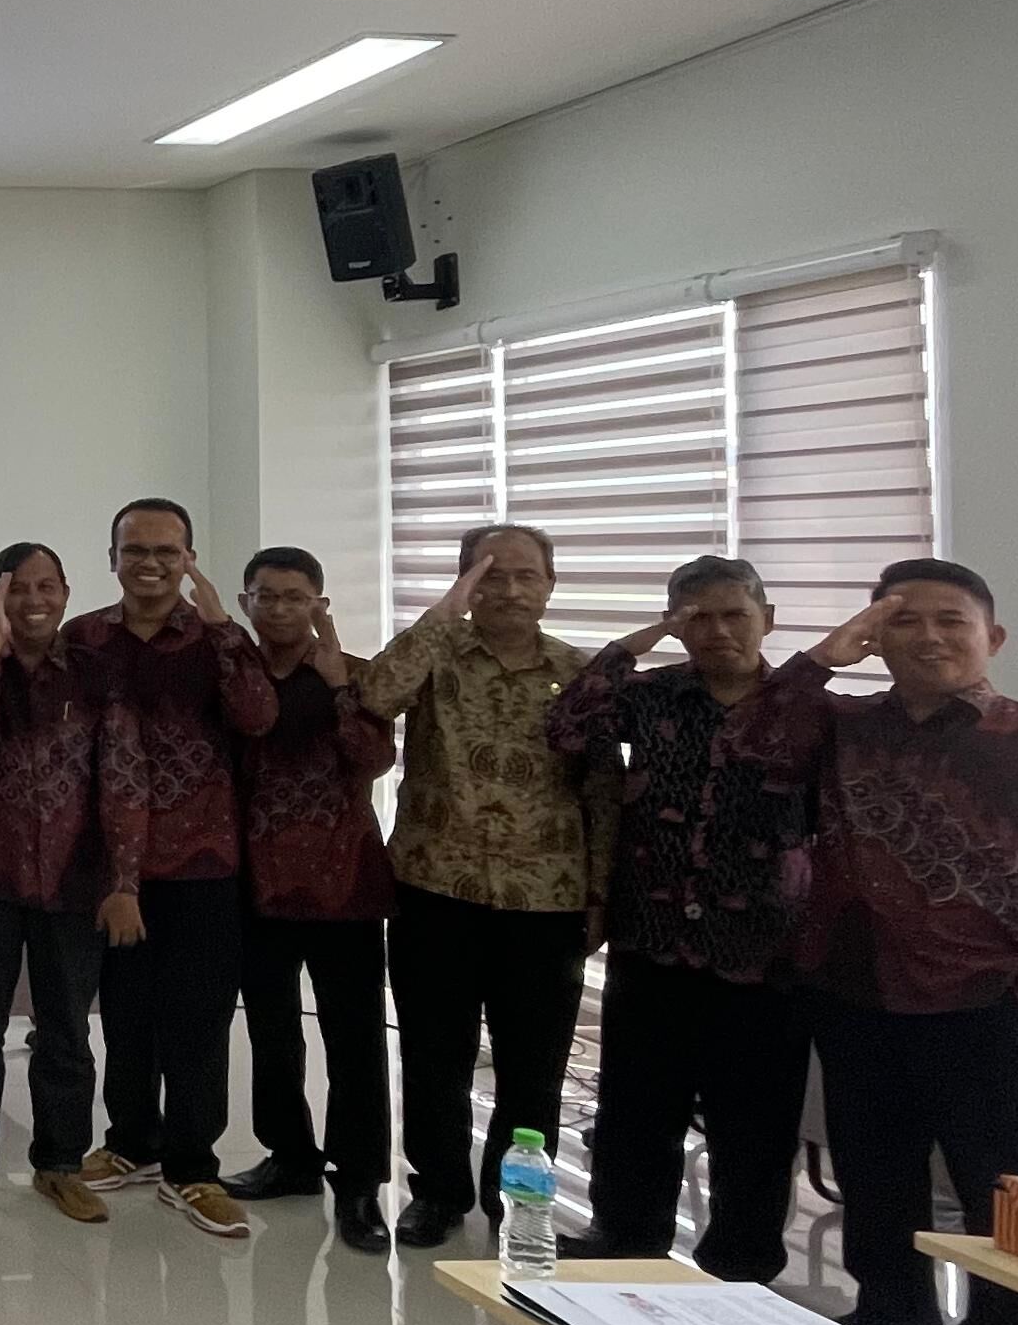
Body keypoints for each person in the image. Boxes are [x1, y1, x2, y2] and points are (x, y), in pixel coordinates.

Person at [734, 562, 1018, 1325]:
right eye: (904, 622)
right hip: (854, 985)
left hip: (982, 1000)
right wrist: (822, 661)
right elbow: (750, 745)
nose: (930, 638)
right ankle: (895, 1311)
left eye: (952, 621)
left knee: (1002, 1190)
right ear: (877, 635)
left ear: (994, 638)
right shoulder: (842, 725)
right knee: (876, 1167)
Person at [544, 554, 814, 1281]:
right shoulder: (654, 697)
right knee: (637, 1112)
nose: (718, 631)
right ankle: (626, 1240)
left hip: (762, 954)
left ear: (769, 620)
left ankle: (741, 1262)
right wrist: (642, 641)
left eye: (735, 615)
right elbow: (566, 725)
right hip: (652, 940)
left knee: (753, 1128)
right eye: (697, 617)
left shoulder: (809, 712)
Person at [357, 525, 617, 1248]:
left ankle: (519, 1207)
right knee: (435, 1056)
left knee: (534, 1069)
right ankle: (436, 1192)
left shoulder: (581, 672)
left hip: (546, 901)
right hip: (436, 890)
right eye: (489, 575)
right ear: (466, 583)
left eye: (526, 576)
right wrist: (445, 614)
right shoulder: (438, 658)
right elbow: (376, 695)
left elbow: (603, 790)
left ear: (550, 584)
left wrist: (601, 894)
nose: (509, 590)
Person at [68, 498, 277, 1241]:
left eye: (166, 552)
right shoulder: (85, 638)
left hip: (202, 861)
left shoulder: (216, 639)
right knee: (124, 1016)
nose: (149, 565)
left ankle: (193, 1167)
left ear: (187, 558)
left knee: (197, 1020)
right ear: (113, 557)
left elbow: (257, 717)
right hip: (110, 865)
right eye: (135, 551)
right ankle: (131, 1143)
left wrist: (224, 628)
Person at [225, 549, 400, 1253]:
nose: (279, 609)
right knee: (271, 1032)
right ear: (246, 602)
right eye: (266, 596)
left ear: (318, 604)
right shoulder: (234, 676)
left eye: (295, 597)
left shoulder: (352, 673)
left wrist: (338, 690)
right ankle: (290, 1156)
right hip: (256, 881)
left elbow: (374, 759)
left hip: (344, 883)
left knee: (354, 1040)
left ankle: (358, 1182)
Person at [0, 542, 109, 1221]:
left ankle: (60, 1164)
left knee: (65, 1030)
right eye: (17, 590)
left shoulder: (91, 672)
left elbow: (116, 772)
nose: (34, 602)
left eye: (47, 588)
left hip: (72, 880)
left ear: (66, 591)